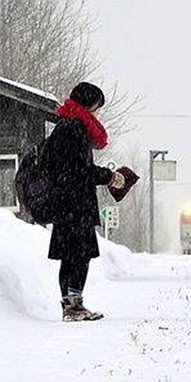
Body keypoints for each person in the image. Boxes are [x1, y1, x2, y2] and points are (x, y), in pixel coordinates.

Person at [41, 82, 125, 322]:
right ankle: (74, 307)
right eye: (97, 108)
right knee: (79, 256)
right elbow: (80, 170)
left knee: (70, 256)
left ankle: (70, 305)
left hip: (66, 204)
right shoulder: (75, 129)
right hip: (75, 205)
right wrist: (110, 177)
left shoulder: (64, 126)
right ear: (88, 105)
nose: (98, 114)